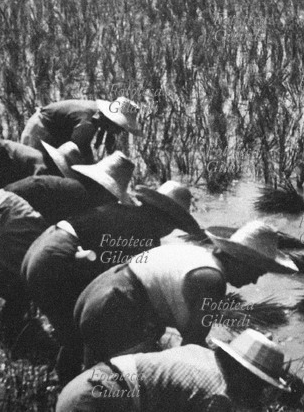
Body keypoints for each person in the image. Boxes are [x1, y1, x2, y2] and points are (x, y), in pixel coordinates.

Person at [21, 158, 206, 383]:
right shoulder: (145, 234)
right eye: (173, 223)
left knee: (72, 332)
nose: (170, 230)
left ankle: (66, 385)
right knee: (78, 336)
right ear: (164, 217)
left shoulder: (128, 214)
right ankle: (72, 389)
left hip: (41, 247)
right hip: (56, 257)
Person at [73, 220, 297, 374]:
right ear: (242, 261)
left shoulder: (196, 255)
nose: (255, 281)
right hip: (115, 307)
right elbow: (191, 347)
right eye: (257, 272)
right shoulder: (212, 281)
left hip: (95, 294)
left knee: (91, 378)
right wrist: (237, 362)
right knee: (128, 387)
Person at [0, 141, 117, 355]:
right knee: (44, 275)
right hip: (11, 216)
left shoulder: (67, 187)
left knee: (19, 282)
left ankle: (9, 340)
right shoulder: (84, 198)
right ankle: (67, 344)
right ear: (104, 190)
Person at [56, 329, 289, 412]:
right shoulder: (218, 394)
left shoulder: (203, 355)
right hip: (95, 401)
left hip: (87, 384)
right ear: (240, 372)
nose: (258, 392)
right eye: (257, 384)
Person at [20, 97, 141, 164]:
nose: (119, 132)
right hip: (40, 129)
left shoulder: (98, 115)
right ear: (111, 120)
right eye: (120, 127)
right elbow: (79, 147)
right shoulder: (88, 121)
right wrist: (91, 167)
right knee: (35, 164)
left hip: (55, 129)